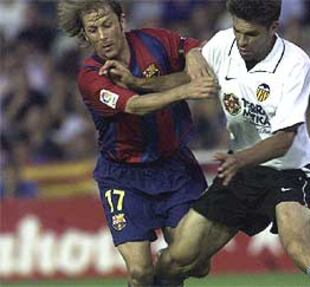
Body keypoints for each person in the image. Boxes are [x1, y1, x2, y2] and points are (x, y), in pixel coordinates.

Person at [155, 1, 310, 287]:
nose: (241, 41)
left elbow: (284, 140)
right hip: (242, 169)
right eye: (237, 30)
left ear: (274, 28)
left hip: (287, 169)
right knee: (175, 260)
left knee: (301, 249)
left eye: (250, 34)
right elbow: (187, 79)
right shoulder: (224, 42)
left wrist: (240, 159)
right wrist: (138, 86)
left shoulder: (295, 65)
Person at [57, 1, 218, 287]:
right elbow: (135, 105)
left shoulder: (154, 40)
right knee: (140, 272)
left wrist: (193, 53)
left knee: (199, 264)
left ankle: (169, 272)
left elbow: (196, 46)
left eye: (107, 24)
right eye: (93, 30)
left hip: (176, 167)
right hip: (124, 176)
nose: (103, 35)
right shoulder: (91, 76)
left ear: (121, 19)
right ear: (85, 35)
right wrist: (186, 88)